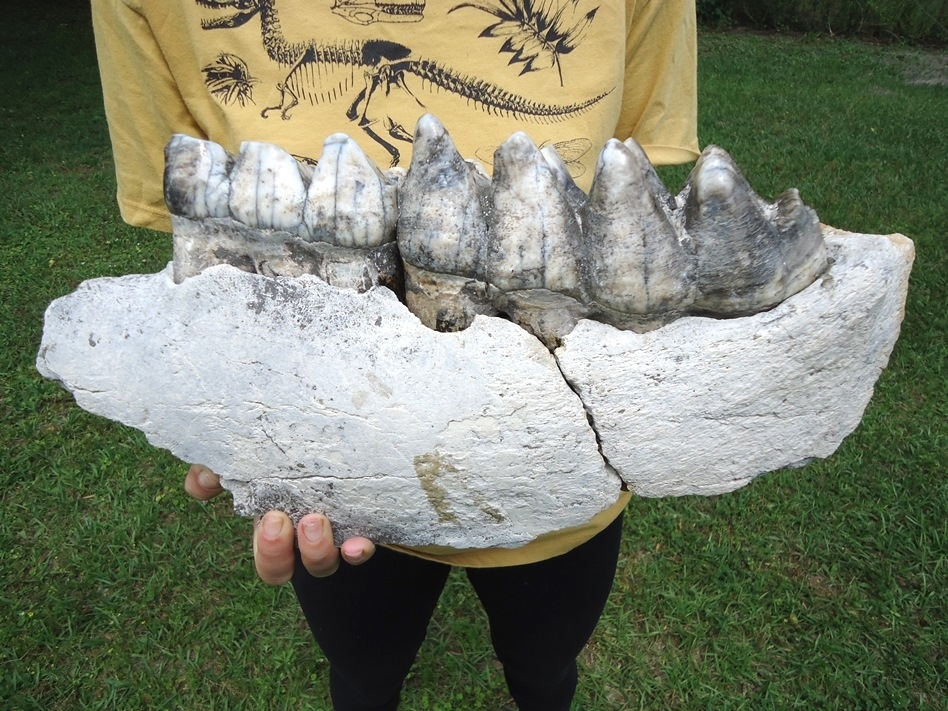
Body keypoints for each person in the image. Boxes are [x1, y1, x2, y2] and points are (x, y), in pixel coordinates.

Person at [91, 0, 699, 707]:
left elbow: (627, 206)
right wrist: (232, 401)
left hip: (559, 470)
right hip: (339, 470)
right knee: (363, 675)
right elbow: (201, 229)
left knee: (543, 669)